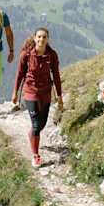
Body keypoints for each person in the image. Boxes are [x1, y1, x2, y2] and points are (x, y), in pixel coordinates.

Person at [12, 27, 63, 168]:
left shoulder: (52, 55)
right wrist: (15, 92)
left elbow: (56, 76)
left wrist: (59, 96)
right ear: (35, 38)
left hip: (45, 92)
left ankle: (32, 134)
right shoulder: (26, 55)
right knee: (36, 124)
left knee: (42, 124)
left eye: (44, 37)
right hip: (30, 92)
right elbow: (20, 74)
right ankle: (35, 156)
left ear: (48, 39)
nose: (41, 39)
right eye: (39, 37)